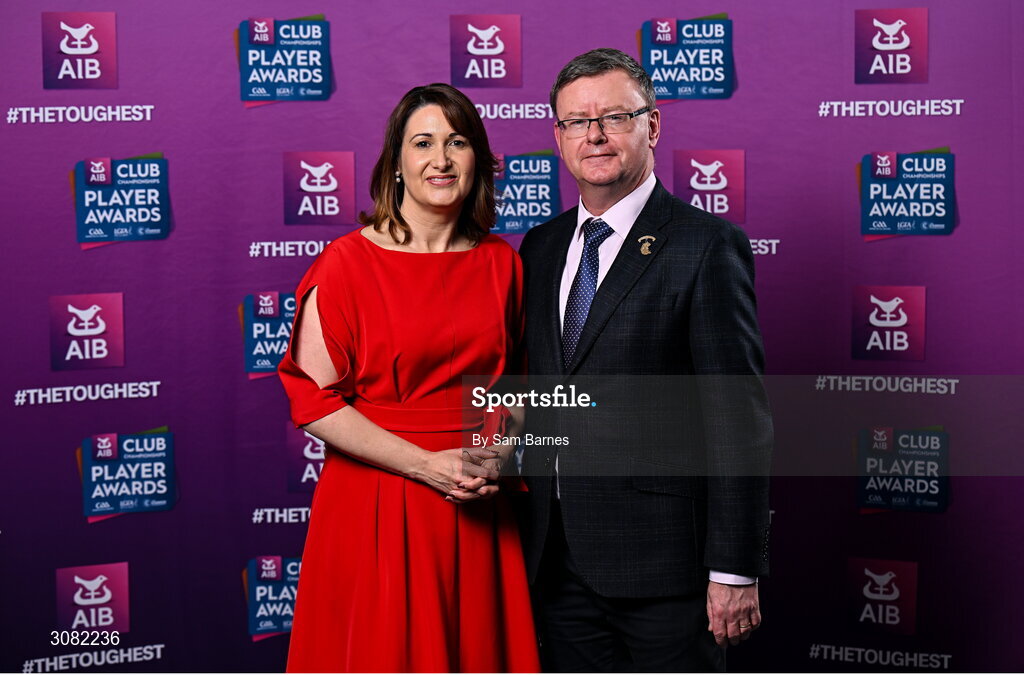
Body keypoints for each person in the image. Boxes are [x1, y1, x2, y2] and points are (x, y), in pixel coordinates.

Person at [514, 49, 773, 671]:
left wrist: (735, 568)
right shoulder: (540, 247)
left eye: (613, 117)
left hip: (668, 572)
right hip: (557, 562)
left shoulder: (706, 245)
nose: (594, 135)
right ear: (558, 136)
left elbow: (737, 418)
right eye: (576, 122)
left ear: (652, 126)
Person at [278, 83, 540, 673]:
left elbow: (517, 385)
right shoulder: (345, 263)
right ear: (395, 164)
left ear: (479, 160)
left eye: (457, 142)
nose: (441, 160)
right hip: (377, 499)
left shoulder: (504, 263)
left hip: (478, 504)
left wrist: (498, 451)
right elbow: (312, 399)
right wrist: (424, 464)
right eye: (423, 143)